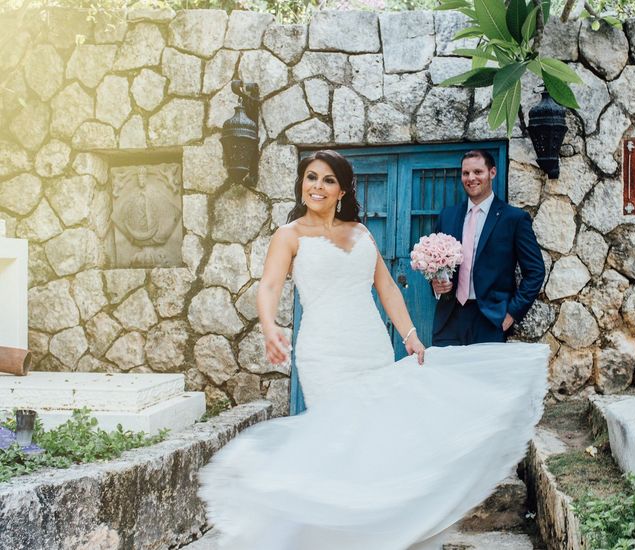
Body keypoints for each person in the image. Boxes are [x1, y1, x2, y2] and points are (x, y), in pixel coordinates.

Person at [198, 150, 548, 550]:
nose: (317, 186)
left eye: (328, 180)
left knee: (375, 440)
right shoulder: (289, 235)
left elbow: (386, 288)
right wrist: (269, 326)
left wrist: (411, 335)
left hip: (371, 346)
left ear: (343, 189)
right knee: (338, 437)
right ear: (301, 183)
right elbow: (270, 287)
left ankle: (375, 533)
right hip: (324, 350)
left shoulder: (361, 233)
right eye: (311, 177)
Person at [431, 150, 545, 346]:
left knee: (485, 378)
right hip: (448, 318)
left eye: (478, 172)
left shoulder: (514, 218)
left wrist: (512, 313)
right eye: (466, 173)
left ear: (492, 173)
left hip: (491, 320)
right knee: (446, 377)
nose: (471, 178)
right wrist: (436, 285)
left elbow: (535, 271)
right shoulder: (447, 216)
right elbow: (435, 264)